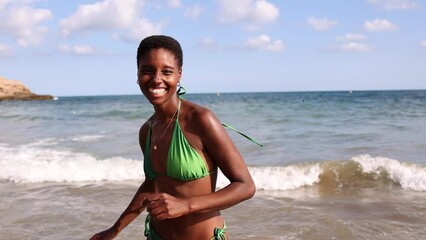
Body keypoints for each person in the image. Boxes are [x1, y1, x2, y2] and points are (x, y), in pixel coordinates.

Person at [90, 35, 256, 240]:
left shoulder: (200, 119)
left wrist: (186, 205)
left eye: (166, 71)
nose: (156, 79)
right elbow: (151, 185)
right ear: (138, 74)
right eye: (147, 71)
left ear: (179, 76)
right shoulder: (147, 130)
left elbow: (245, 186)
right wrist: (114, 230)